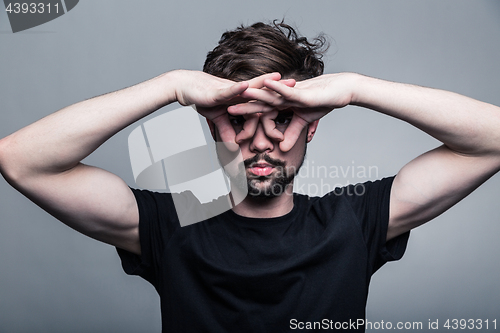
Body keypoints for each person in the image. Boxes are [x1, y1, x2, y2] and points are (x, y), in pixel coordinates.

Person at [0, 21, 499, 332]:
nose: (261, 142)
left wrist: (351, 88)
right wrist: (172, 87)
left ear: (311, 128)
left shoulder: (355, 219)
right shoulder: (168, 225)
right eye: (240, 122)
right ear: (215, 128)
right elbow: (21, 160)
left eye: (282, 120)